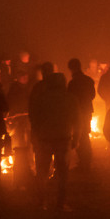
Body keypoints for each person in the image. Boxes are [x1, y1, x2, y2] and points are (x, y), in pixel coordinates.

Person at [30, 73, 78, 211]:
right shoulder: (70, 98)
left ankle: (41, 202)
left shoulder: (40, 99)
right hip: (63, 139)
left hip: (44, 139)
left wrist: (35, 137)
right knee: (62, 173)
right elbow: (77, 120)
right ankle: (60, 203)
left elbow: (34, 119)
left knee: (42, 171)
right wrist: (77, 137)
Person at [67, 58, 96, 174]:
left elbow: (69, 98)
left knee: (79, 137)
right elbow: (92, 95)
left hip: (77, 113)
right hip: (87, 112)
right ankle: (86, 162)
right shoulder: (88, 80)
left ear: (72, 69)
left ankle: (84, 162)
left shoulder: (73, 83)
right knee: (85, 136)